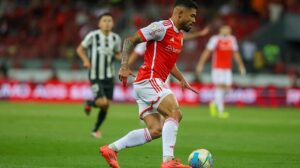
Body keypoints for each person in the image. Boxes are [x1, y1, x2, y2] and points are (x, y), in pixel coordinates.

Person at [99, 0, 199, 167]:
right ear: (180, 13)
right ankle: (168, 161)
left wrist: (181, 78)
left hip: (145, 84)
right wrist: (124, 65)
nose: (194, 20)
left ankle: (111, 148)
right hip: (149, 79)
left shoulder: (179, 36)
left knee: (156, 130)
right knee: (175, 112)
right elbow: (130, 40)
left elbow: (170, 63)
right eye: (192, 16)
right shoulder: (161, 27)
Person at [76, 12, 121, 138]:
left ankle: (95, 129)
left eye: (109, 21)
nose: (107, 23)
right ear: (99, 24)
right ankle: (90, 104)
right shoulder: (93, 36)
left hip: (109, 76)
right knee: (102, 102)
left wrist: (122, 58)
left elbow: (117, 53)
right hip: (95, 74)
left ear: (113, 24)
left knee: (106, 106)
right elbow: (80, 49)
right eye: (104, 20)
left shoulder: (115, 38)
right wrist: (86, 60)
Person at [196, 25, 246, 119]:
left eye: (229, 29)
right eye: (226, 28)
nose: (228, 30)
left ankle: (214, 103)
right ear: (221, 30)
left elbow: (235, 53)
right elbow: (207, 52)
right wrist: (200, 64)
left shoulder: (232, 39)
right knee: (220, 87)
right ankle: (220, 111)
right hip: (217, 68)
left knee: (227, 89)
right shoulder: (215, 39)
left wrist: (241, 65)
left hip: (227, 68)